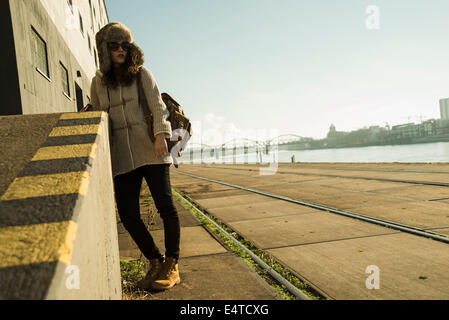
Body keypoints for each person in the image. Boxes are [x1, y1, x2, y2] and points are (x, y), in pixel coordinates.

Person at [89, 22, 181, 290]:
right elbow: (99, 117)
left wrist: (162, 136)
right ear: (105, 50)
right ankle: (156, 261)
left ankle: (172, 265)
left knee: (166, 207)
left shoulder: (142, 74)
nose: (120, 50)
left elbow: (157, 105)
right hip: (121, 158)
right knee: (128, 214)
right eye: (114, 45)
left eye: (125, 45)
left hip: (152, 150)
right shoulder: (98, 82)